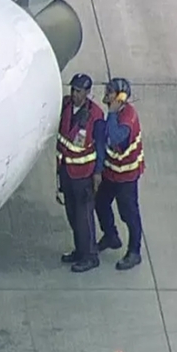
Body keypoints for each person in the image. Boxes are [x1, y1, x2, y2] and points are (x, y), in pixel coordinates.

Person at [55, 73, 106, 273]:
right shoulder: (66, 107)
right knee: (72, 215)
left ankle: (90, 255)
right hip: (67, 171)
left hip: (84, 174)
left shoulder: (96, 116)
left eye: (79, 91)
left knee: (84, 216)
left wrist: (97, 173)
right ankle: (80, 250)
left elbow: (100, 147)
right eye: (73, 90)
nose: (75, 94)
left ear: (87, 93)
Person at [95, 77, 145, 271]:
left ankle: (134, 251)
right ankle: (110, 235)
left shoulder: (127, 119)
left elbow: (115, 136)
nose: (106, 94)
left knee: (129, 213)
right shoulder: (113, 115)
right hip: (111, 172)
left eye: (110, 92)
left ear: (120, 97)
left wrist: (113, 112)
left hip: (126, 176)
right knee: (100, 202)